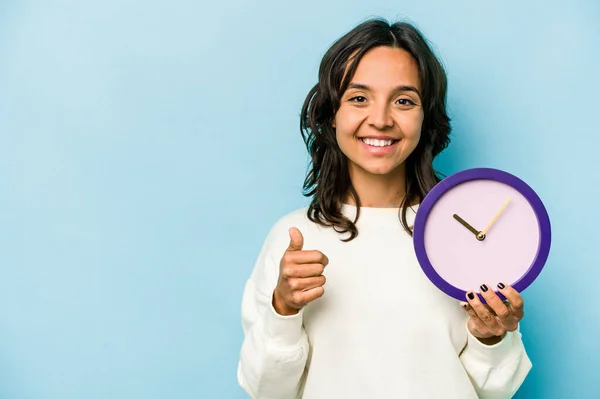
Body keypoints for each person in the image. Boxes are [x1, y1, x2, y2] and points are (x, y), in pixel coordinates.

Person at [237, 17, 532, 399]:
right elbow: (266, 390)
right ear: (331, 115)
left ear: (426, 119)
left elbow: (495, 391)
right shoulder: (294, 239)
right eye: (359, 98)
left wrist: (489, 337)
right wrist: (283, 308)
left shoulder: (465, 234)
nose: (380, 120)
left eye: (404, 101)